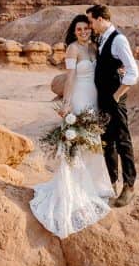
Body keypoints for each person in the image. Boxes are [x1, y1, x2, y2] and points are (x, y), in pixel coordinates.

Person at [29, 15, 113, 238]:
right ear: (74, 32)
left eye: (86, 28)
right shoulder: (72, 49)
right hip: (79, 98)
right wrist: (66, 104)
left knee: (93, 140)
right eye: (79, 29)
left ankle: (95, 185)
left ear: (90, 29)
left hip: (94, 98)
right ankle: (76, 187)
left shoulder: (95, 47)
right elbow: (70, 78)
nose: (83, 31)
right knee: (78, 141)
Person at [85, 4, 139, 207]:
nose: (90, 25)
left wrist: (117, 96)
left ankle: (129, 186)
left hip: (114, 99)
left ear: (100, 19)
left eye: (91, 21)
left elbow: (133, 71)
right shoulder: (102, 39)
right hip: (103, 99)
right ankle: (111, 183)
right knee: (107, 141)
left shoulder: (119, 39)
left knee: (123, 140)